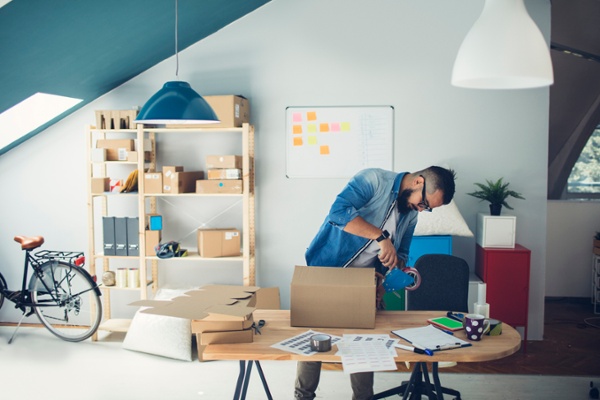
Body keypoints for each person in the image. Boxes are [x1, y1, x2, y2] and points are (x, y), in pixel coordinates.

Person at [295, 166, 456, 400]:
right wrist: (381, 238)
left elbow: (402, 254)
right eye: (425, 204)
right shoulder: (373, 180)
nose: (422, 210)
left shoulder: (410, 214)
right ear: (419, 182)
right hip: (327, 269)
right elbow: (338, 213)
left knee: (362, 343)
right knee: (316, 339)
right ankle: (302, 396)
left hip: (364, 282)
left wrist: (389, 276)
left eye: (427, 209)